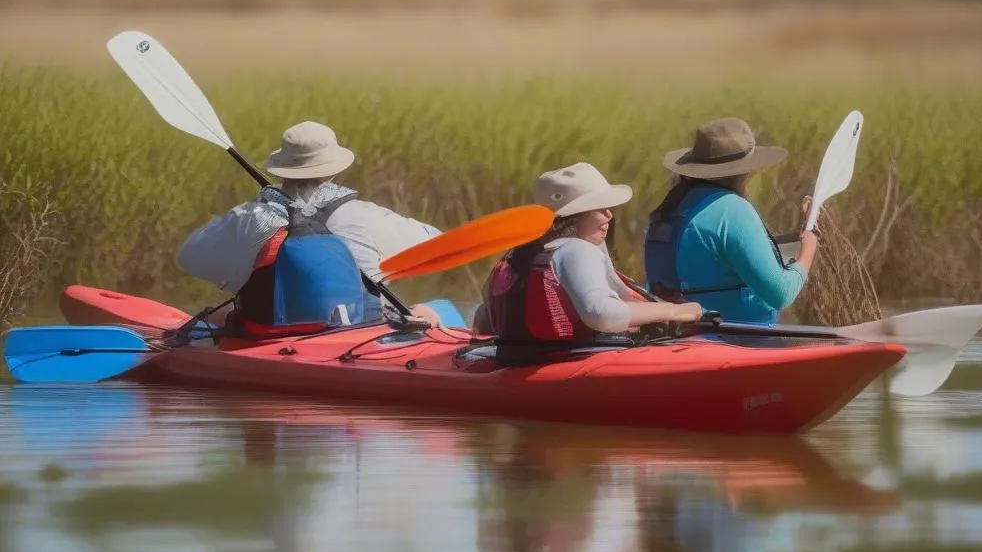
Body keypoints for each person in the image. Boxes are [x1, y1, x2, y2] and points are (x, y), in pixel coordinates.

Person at [177, 121, 442, 333]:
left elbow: (188, 256)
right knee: (432, 309)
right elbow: (436, 242)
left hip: (267, 335)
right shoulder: (364, 216)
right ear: (333, 171)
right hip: (359, 334)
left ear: (282, 171)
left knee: (217, 315)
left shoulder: (252, 217)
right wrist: (385, 267)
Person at [478, 162, 703, 348]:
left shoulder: (522, 255)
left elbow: (483, 320)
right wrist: (674, 310)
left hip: (519, 361)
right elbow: (600, 314)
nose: (609, 215)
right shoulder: (577, 250)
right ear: (572, 216)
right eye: (600, 208)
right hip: (570, 364)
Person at [644, 117, 817, 326]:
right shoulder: (732, 210)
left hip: (676, 339)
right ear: (744, 170)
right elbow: (780, 294)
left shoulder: (669, 209)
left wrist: (798, 234)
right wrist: (809, 247)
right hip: (734, 343)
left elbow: (724, 252)